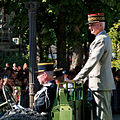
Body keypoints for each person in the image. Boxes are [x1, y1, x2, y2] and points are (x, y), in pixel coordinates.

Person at [73, 13, 115, 120]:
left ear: (100, 25)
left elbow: (93, 61)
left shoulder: (101, 39)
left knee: (103, 115)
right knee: (100, 113)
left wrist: (78, 77)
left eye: (92, 24)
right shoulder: (101, 39)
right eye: (89, 25)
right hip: (99, 82)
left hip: (101, 82)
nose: (89, 27)